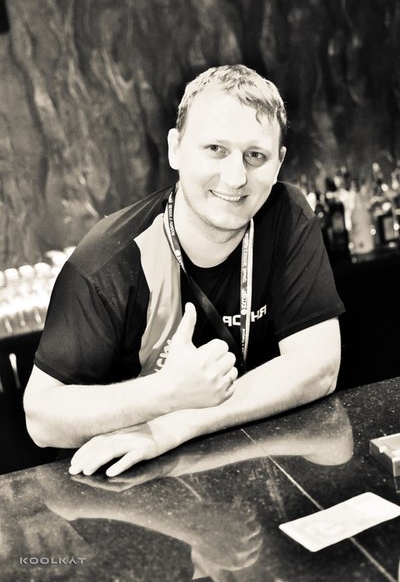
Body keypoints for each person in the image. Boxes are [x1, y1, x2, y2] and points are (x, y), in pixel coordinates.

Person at [23, 64, 345, 477]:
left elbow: (319, 366)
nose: (235, 177)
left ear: (278, 163)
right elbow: (42, 419)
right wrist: (164, 392)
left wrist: (178, 423)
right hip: (123, 483)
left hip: (245, 463)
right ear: (176, 149)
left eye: (255, 156)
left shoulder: (286, 215)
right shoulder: (110, 259)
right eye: (215, 149)